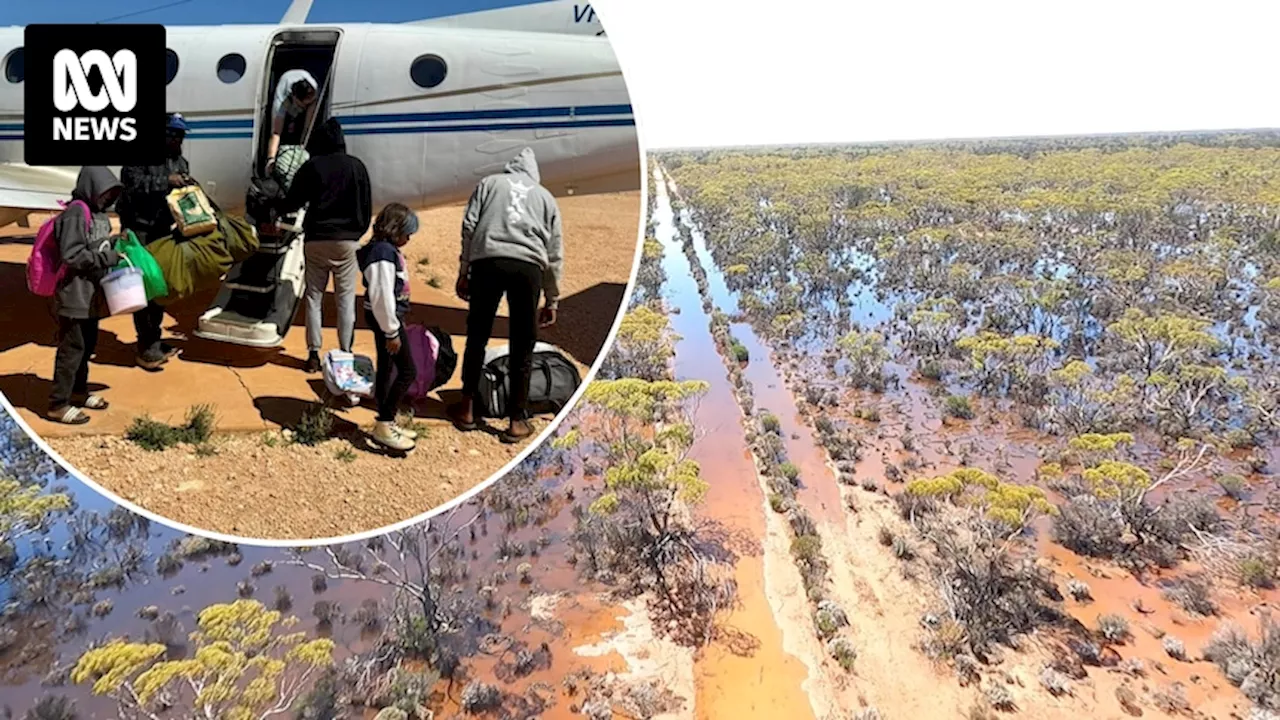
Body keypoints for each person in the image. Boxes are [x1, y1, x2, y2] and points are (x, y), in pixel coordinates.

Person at [447, 148, 563, 444]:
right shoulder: (545, 197)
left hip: (489, 263)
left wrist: (465, 270)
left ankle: (467, 408)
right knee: (523, 343)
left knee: (477, 335)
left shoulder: (488, 184)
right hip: (528, 269)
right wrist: (551, 299)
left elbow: (470, 226)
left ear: (510, 168)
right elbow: (553, 253)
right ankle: (516, 420)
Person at [278, 117, 372, 373]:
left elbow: (293, 201)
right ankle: (345, 350)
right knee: (345, 299)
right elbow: (366, 207)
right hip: (346, 243)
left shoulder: (312, 166)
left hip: (316, 240)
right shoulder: (357, 167)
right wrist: (355, 234)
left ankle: (312, 355)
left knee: (313, 298)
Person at [46, 167, 123, 425]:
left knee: (86, 346)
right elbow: (72, 254)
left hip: (91, 295)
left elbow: (95, 244)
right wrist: (105, 257)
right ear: (91, 187)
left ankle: (78, 391)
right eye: (104, 192)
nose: (107, 198)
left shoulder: (98, 214)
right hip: (74, 294)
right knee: (72, 348)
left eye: (112, 193)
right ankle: (58, 403)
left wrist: (115, 244)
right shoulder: (77, 212)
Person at [118, 112, 191, 371]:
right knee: (143, 288)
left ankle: (154, 338)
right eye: (173, 135)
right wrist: (165, 182)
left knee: (160, 286)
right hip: (139, 231)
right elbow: (131, 185)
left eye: (180, 135)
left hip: (162, 230)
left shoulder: (180, 162)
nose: (177, 140)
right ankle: (145, 345)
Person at [357, 203, 419, 452]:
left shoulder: (384, 250)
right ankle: (385, 421)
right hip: (387, 320)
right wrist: (392, 331)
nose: (409, 238)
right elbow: (382, 293)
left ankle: (385, 419)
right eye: (407, 233)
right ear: (395, 230)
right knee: (407, 371)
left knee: (387, 366)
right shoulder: (382, 254)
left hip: (386, 318)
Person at [266, 68, 319, 175]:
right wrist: (271, 159)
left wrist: (302, 148)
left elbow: (307, 127)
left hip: (307, 94)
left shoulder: (313, 92)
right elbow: (276, 133)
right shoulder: (282, 99)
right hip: (288, 97)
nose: (304, 108)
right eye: (302, 105)